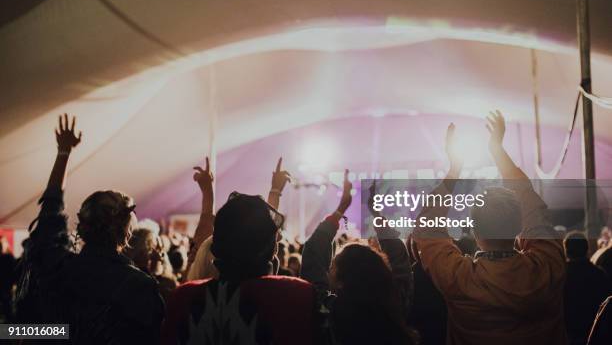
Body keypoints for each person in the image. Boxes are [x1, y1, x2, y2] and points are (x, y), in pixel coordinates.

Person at [413, 111, 567, 345]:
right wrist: (497, 149)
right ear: (518, 228)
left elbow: (427, 227)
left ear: (474, 232)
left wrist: (455, 169)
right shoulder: (546, 268)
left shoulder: (458, 277)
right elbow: (530, 202)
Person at [15, 114, 164, 344]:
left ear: (81, 228)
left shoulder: (56, 265)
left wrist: (63, 152)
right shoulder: (141, 288)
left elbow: (50, 212)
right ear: (126, 234)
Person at [161, 158, 318, 345]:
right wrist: (275, 191)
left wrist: (207, 193)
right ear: (272, 249)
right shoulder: (297, 296)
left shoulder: (182, 299)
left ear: (215, 246)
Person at [301, 170, 417, 345]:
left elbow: (313, 254)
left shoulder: (332, 311)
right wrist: (376, 215)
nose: (329, 270)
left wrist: (341, 209)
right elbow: (399, 260)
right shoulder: (394, 306)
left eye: (333, 267)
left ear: (341, 280)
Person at [563, 231, 612, 345]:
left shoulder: (561, 275)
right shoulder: (599, 274)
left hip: (568, 333)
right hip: (593, 331)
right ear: (587, 249)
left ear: (566, 251)